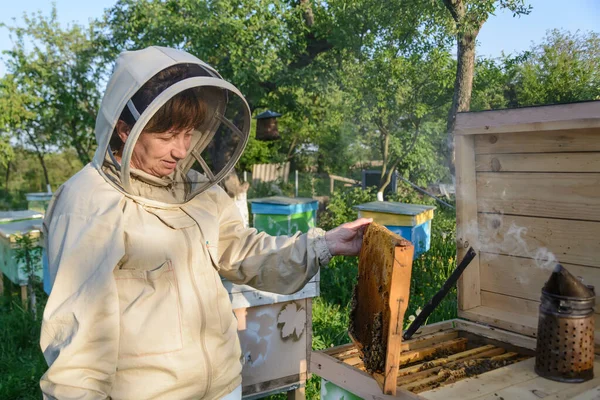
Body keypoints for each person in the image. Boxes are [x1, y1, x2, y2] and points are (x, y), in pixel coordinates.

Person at [40, 46, 371, 400]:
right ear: (124, 130)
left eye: (187, 134)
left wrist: (322, 245)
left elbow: (241, 250)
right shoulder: (88, 203)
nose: (181, 151)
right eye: (167, 137)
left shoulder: (194, 186)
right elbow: (78, 342)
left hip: (224, 385)